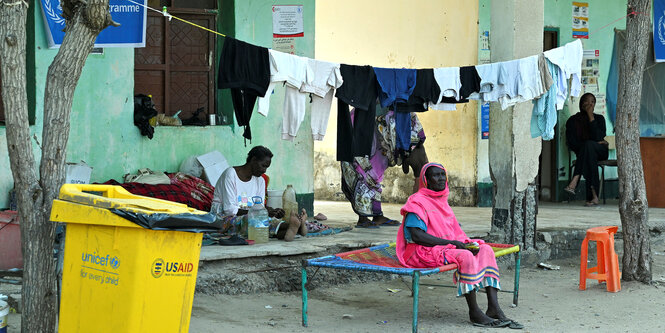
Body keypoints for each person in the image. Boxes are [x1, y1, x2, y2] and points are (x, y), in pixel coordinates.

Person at [396, 163, 523, 329]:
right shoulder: (417, 202)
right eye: (435, 175)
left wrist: (465, 243)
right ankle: (474, 312)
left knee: (485, 250)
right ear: (426, 180)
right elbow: (416, 236)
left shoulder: (442, 201)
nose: (441, 179)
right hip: (420, 252)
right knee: (465, 256)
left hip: (442, 248)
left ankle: (494, 308)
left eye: (443, 175)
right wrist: (453, 245)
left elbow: (453, 232)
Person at [341, 110, 429, 228]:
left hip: (392, 119)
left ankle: (378, 215)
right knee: (362, 169)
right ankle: (363, 217)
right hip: (368, 121)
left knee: (375, 172)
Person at [211, 146, 307, 241]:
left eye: (267, 167)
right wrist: (261, 213)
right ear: (253, 160)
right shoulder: (230, 174)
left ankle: (293, 227)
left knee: (262, 224)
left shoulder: (260, 180)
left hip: (250, 217)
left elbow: (259, 206)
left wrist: (271, 211)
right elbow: (230, 210)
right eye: (263, 166)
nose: (264, 170)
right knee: (254, 222)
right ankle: (293, 227)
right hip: (223, 219)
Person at [564, 93, 609, 206]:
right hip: (584, 153)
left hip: (601, 151)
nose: (589, 104)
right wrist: (591, 144)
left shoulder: (599, 118)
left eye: (592, 102)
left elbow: (599, 136)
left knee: (589, 147)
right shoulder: (572, 121)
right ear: (581, 103)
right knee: (589, 155)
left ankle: (575, 179)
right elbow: (572, 143)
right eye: (586, 101)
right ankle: (594, 197)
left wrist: (591, 117)